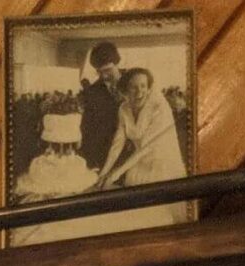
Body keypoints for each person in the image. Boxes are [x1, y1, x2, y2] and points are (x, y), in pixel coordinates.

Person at [95, 64, 187, 193]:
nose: (139, 92)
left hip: (160, 166)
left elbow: (146, 147)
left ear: (149, 88)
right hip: (138, 163)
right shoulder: (124, 109)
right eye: (134, 87)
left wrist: (115, 175)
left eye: (143, 86)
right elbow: (118, 143)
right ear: (126, 89)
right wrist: (104, 172)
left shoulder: (159, 107)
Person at [77, 39, 122, 179]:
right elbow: (88, 128)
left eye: (108, 70)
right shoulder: (92, 92)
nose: (104, 76)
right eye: (99, 72)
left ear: (117, 64)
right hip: (105, 154)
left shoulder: (135, 82)